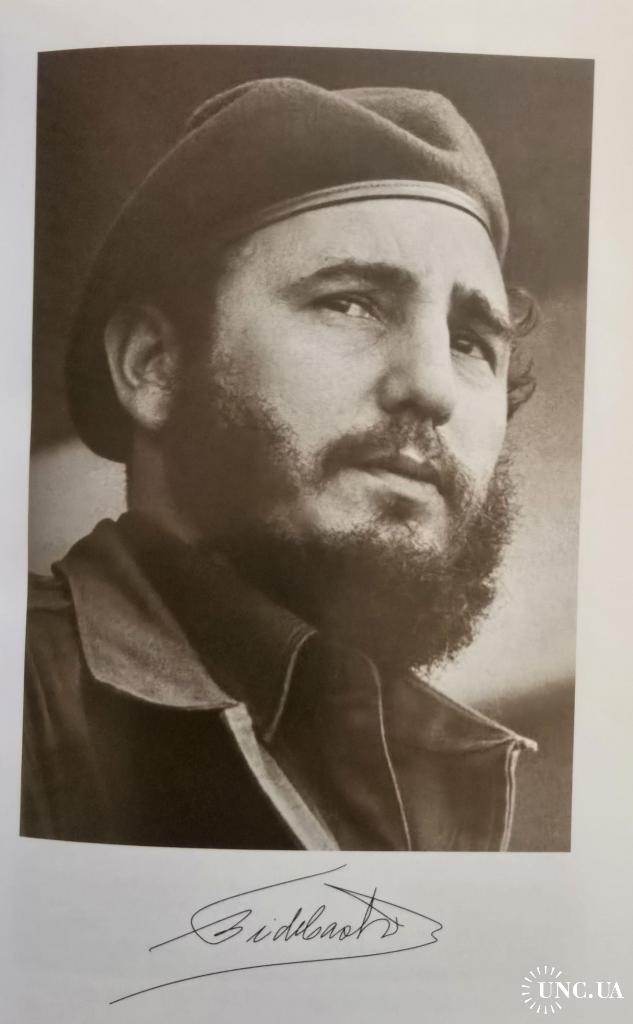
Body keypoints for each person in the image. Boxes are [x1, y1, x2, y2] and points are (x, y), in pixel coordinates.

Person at [21, 77, 539, 851]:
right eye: (351, 302)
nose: (433, 387)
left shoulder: (454, 782)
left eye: (470, 342)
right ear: (153, 365)